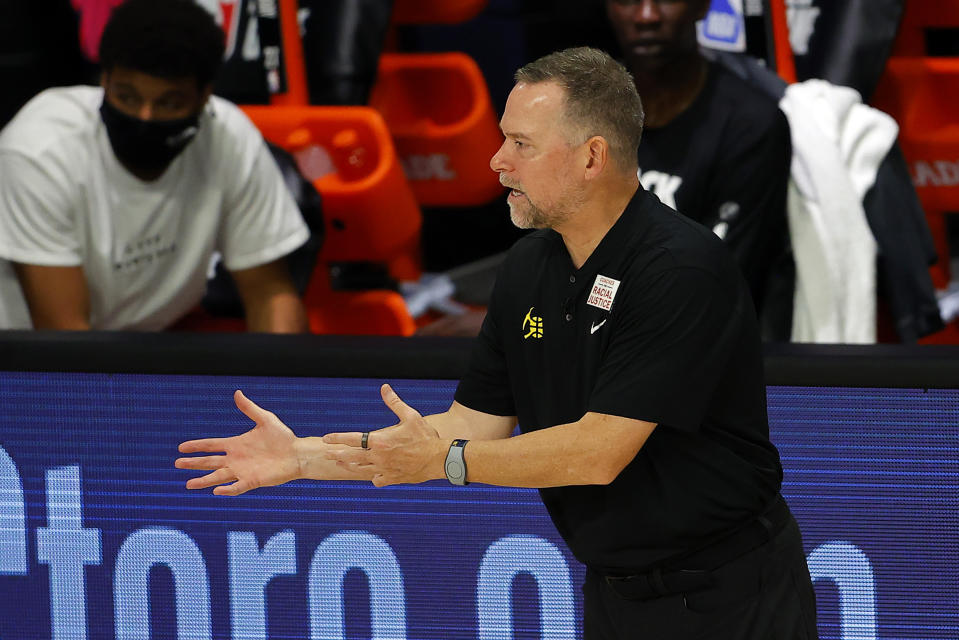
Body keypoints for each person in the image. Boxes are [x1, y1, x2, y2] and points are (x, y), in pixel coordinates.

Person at [176, 47, 818, 639]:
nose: (496, 161)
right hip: (616, 594)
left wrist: (444, 462)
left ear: (592, 157)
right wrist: (304, 457)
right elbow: (467, 427)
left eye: (520, 144)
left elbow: (597, 452)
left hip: (733, 594)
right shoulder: (528, 268)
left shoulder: (679, 269)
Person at [0, 0, 309, 332]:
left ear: (205, 96)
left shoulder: (229, 137)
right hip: (32, 362)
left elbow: (269, 292)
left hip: (153, 347)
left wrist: (277, 384)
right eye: (127, 96)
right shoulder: (40, 151)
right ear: (104, 80)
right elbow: (65, 334)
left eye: (169, 103)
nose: (145, 117)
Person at [606, 0, 794, 339]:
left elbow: (713, 284)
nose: (646, 16)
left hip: (699, 354)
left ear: (702, 7)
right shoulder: (583, 113)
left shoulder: (750, 125)